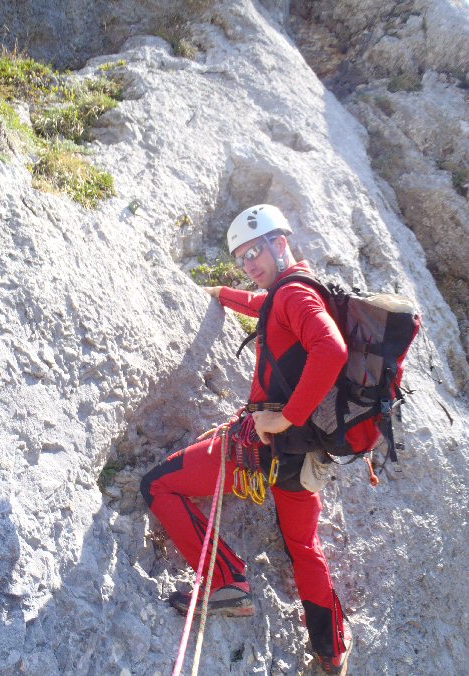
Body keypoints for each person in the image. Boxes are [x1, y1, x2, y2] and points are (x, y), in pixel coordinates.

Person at [141, 205, 353, 674]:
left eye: (254, 252)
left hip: (261, 448)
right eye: (240, 258)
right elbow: (261, 307)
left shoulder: (294, 295)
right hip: (304, 458)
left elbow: (331, 348)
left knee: (157, 486)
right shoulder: (294, 292)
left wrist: (285, 417)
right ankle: (332, 650)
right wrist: (219, 292)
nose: (248, 264)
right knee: (303, 547)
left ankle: (227, 582)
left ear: (281, 241)